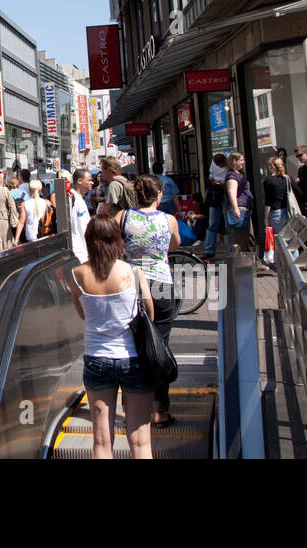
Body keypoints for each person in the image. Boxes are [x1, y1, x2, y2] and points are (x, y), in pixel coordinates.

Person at [70, 214, 156, 459]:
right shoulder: (133, 272)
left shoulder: (77, 275)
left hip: (97, 357)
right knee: (140, 440)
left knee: (101, 439)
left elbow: (83, 314)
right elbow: (149, 314)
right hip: (133, 357)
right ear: (117, 238)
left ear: (90, 241)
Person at [114, 174, 180, 428]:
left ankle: (129, 407)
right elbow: (174, 245)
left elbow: (116, 246)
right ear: (159, 195)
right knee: (159, 348)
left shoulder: (123, 217)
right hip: (162, 285)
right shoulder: (168, 220)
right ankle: (161, 411)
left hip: (130, 284)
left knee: (130, 346)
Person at [224, 152, 258, 255]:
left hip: (244, 209)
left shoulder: (238, 174)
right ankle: (239, 264)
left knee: (249, 237)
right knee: (241, 239)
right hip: (240, 209)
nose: (243, 163)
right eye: (241, 160)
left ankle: (252, 262)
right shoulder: (232, 176)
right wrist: (235, 208)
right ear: (234, 161)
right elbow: (231, 192)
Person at [203, 153, 230, 259]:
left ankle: (229, 249)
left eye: (221, 165)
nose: (220, 167)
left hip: (225, 194)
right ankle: (209, 250)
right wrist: (215, 181)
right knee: (213, 223)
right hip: (216, 195)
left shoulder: (229, 165)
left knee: (227, 224)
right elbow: (211, 176)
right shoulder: (213, 165)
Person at [66, 168, 94, 263]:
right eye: (89, 180)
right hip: (78, 252)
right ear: (80, 181)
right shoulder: (71, 199)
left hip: (85, 250)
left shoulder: (80, 199)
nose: (92, 183)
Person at [14, 179, 51, 245]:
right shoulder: (46, 203)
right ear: (41, 190)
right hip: (44, 234)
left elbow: (21, 222)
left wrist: (16, 239)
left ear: (29, 190)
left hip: (30, 236)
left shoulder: (25, 204)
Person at [263, 157, 293, 236]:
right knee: (291, 240)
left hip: (276, 213)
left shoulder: (268, 180)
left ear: (272, 166)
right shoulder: (288, 178)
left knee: (280, 240)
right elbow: (299, 192)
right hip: (289, 211)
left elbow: (268, 201)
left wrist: (266, 217)